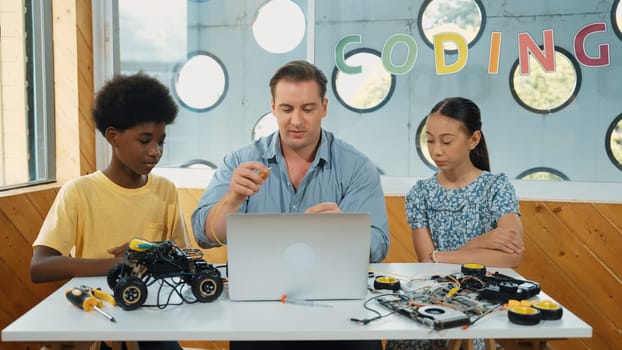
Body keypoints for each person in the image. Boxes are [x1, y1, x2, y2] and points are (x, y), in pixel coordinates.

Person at [191, 60, 389, 350]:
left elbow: (379, 244)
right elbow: (205, 236)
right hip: (258, 311)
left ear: (324, 107)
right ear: (273, 107)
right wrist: (232, 199)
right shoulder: (239, 162)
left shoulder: (356, 166)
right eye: (287, 109)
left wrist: (345, 229)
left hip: (339, 311)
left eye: (307, 109)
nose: (296, 120)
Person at [30, 72, 189, 350]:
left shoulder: (166, 190)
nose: (155, 152)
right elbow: (40, 267)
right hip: (96, 321)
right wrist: (114, 265)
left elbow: (182, 258)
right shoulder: (79, 192)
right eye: (145, 140)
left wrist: (152, 253)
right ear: (113, 137)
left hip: (150, 320)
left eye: (161, 141)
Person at [385, 97, 524, 350]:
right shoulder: (421, 193)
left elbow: (512, 257)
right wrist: (483, 242)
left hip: (483, 301)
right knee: (403, 337)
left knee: (467, 339)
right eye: (430, 140)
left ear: (473, 139)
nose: (436, 150)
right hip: (432, 296)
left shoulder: (496, 187)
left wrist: (441, 255)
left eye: (446, 141)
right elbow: (427, 264)